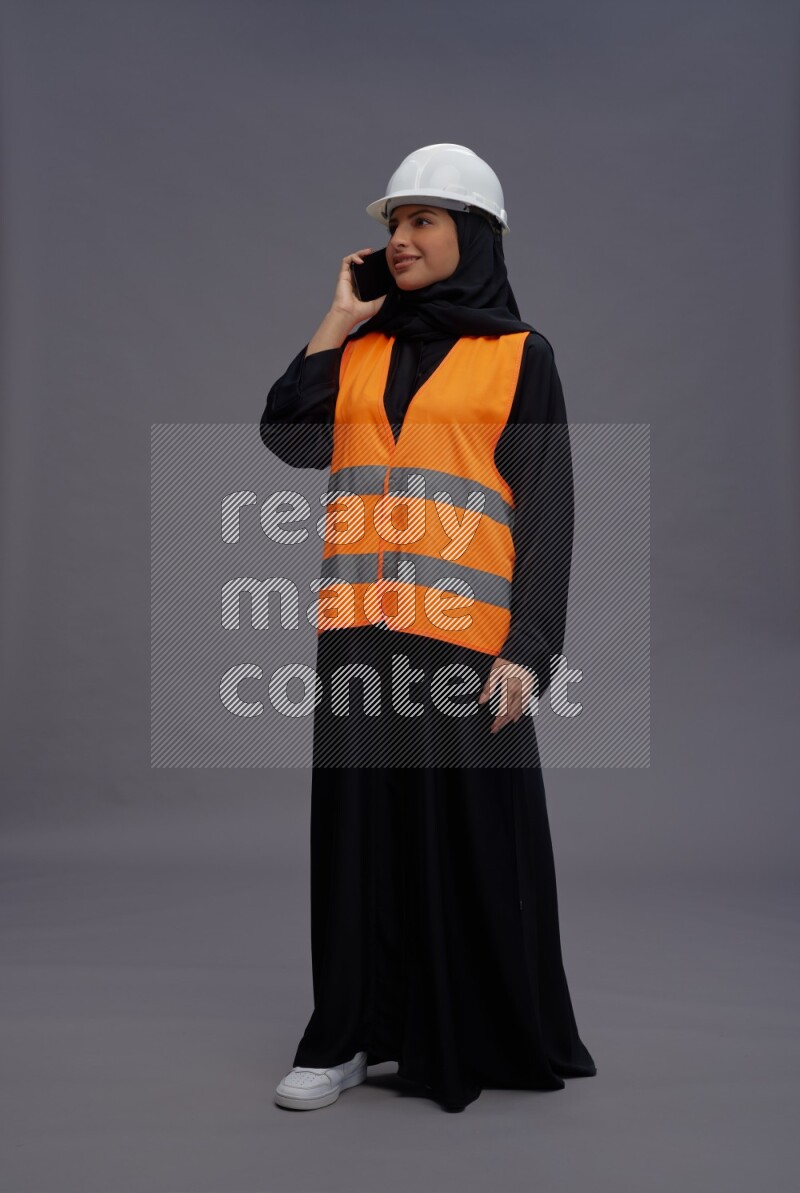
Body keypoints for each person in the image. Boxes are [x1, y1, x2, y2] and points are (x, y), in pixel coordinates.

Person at [261, 144, 597, 1112]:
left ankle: (471, 1031)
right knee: (355, 839)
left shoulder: (521, 356)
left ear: (473, 235)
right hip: (357, 636)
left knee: (467, 840)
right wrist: (337, 316)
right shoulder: (361, 350)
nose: (399, 240)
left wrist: (530, 648)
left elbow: (547, 507)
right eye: (393, 224)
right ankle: (346, 1038)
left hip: (464, 641)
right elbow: (288, 433)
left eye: (421, 221)